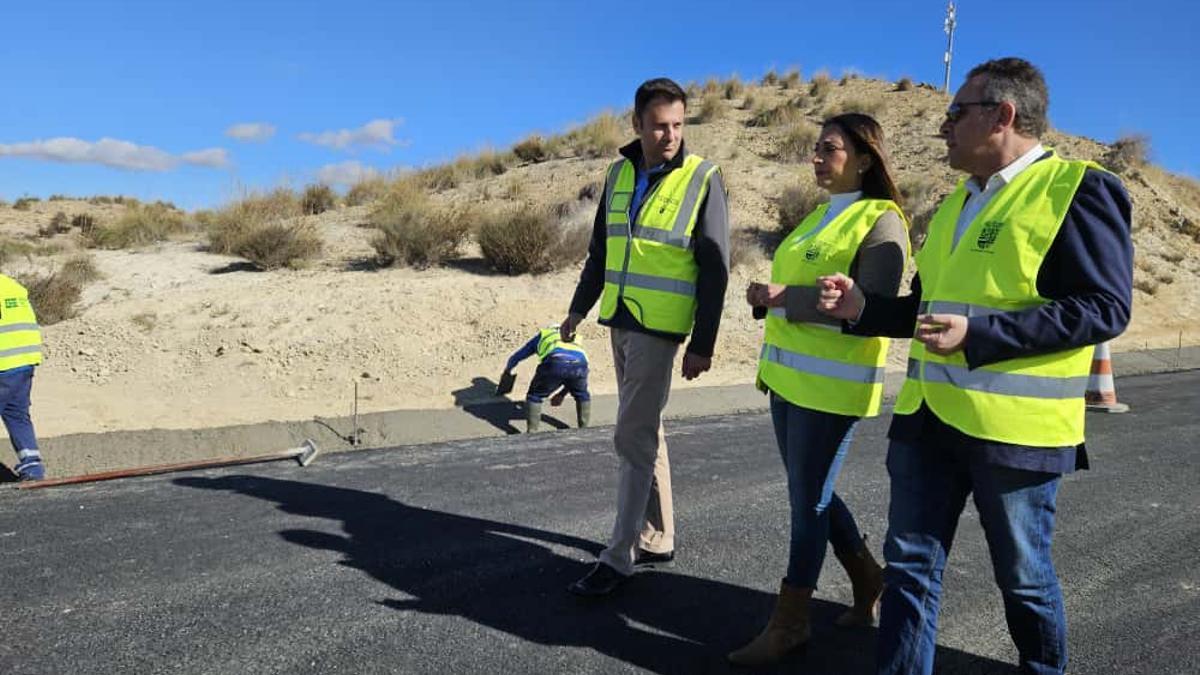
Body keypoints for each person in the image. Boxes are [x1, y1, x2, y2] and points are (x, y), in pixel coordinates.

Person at [818, 57, 1134, 675]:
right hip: (926, 420)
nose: (945, 126)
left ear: (1004, 116)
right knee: (909, 569)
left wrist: (981, 336)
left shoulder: (1078, 188)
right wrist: (863, 307)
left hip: (1015, 433)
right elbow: (926, 311)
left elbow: (1105, 307)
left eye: (957, 113)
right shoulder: (956, 203)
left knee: (1023, 580)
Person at [728, 114, 909, 667]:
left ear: (863, 158)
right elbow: (800, 291)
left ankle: (791, 623)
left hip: (830, 391)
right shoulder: (815, 217)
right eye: (814, 147)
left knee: (807, 503)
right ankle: (868, 577)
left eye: (827, 148)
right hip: (786, 380)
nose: (814, 156)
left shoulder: (882, 221)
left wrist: (787, 297)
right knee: (812, 493)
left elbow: (871, 309)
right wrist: (769, 296)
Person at [561, 77, 730, 597]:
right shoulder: (618, 174)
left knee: (630, 438)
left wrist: (703, 341)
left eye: (679, 125)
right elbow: (602, 251)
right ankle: (658, 537)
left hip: (660, 331)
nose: (671, 135)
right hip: (618, 321)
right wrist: (577, 309)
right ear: (637, 124)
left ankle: (618, 557)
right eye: (660, 125)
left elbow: (715, 268)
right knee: (646, 431)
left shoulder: (704, 178)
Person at [0, 274, 46, 481]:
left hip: (3, 363)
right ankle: (32, 468)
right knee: (17, 415)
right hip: (24, 361)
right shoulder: (12, 286)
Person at [503, 326, 590, 432]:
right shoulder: (575, 336)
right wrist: (561, 394)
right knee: (581, 395)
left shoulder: (544, 334)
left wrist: (508, 370)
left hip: (554, 362)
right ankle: (585, 430)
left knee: (534, 396)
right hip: (581, 364)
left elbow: (517, 356)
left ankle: (532, 433)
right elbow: (571, 368)